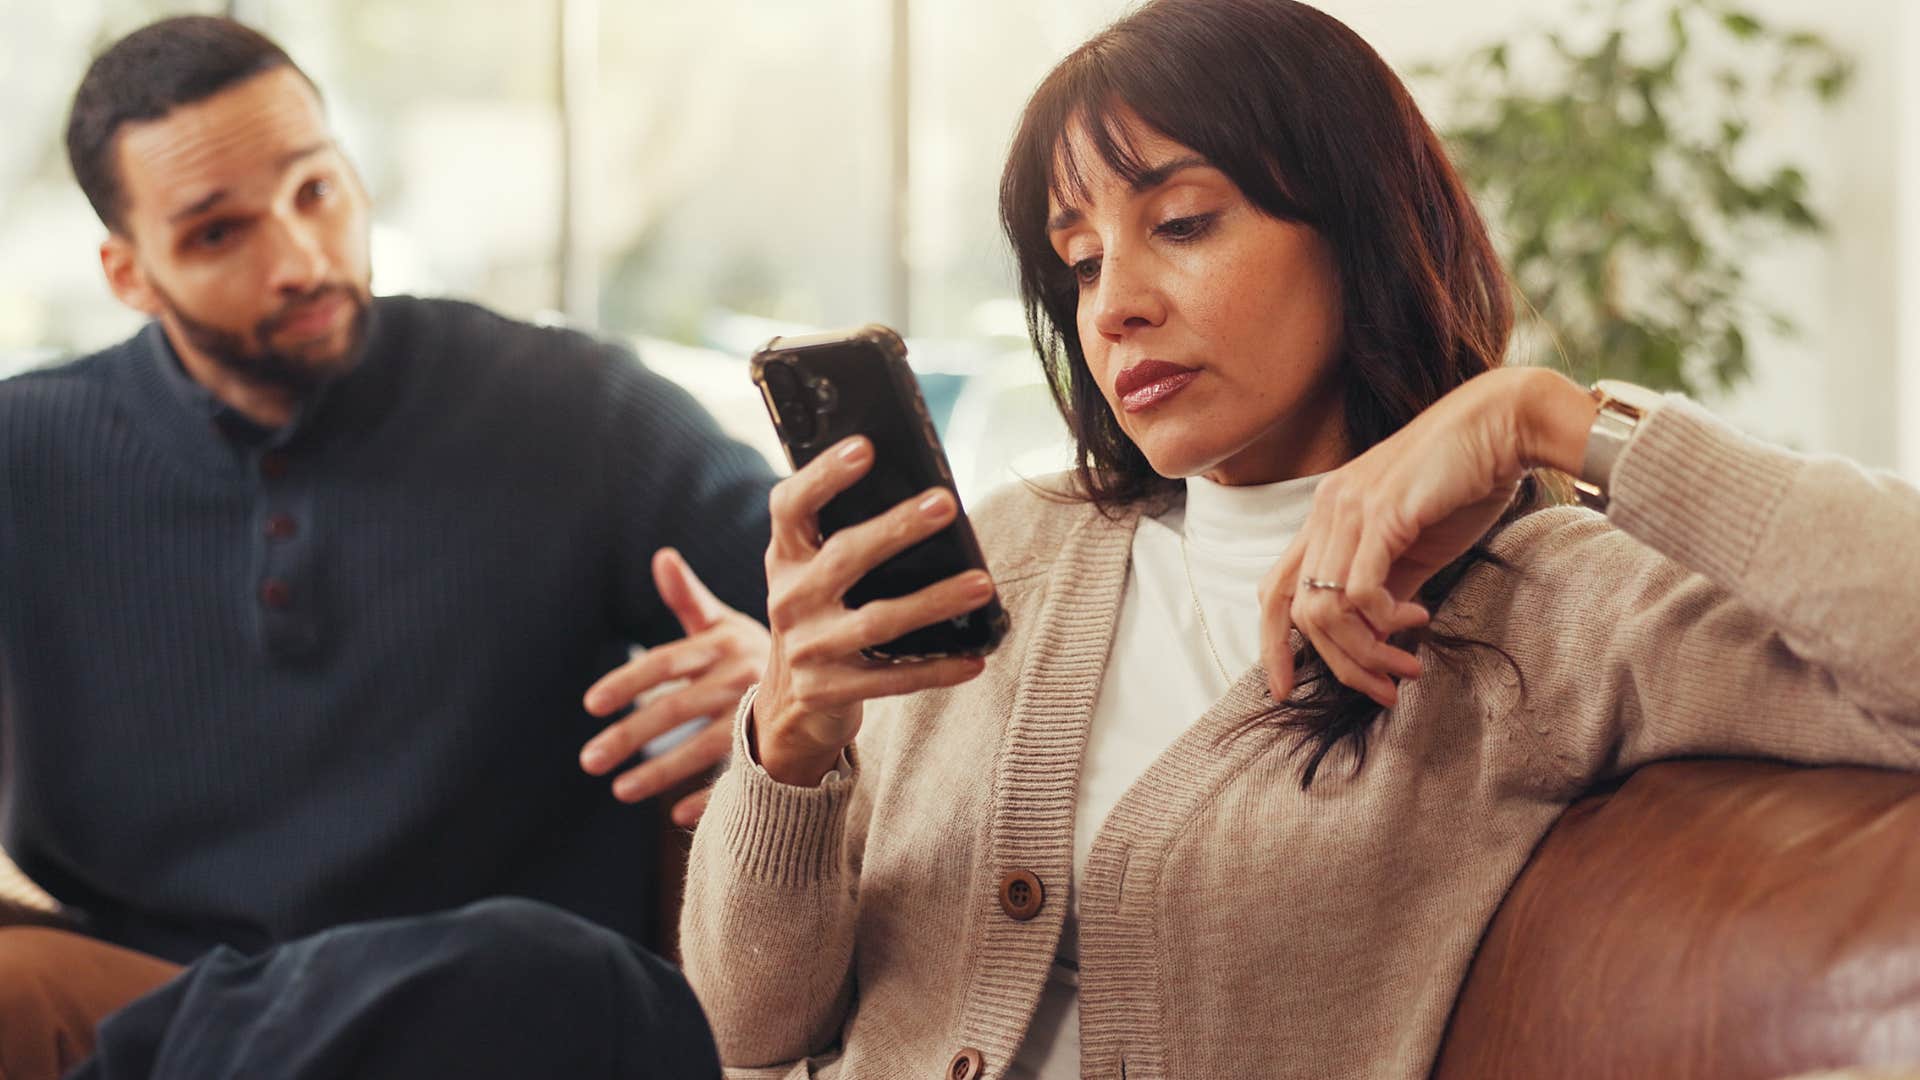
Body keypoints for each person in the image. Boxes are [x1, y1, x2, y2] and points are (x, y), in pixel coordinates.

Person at [676, 1, 1920, 1077]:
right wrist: (787, 742)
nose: (1116, 305)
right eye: (1080, 258)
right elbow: (751, 1018)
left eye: (1183, 223)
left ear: (1358, 229)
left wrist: (1550, 415)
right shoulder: (1004, 560)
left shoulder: (1553, 614)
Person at [0, 14, 773, 1075]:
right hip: (160, 1009)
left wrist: (783, 672)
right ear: (128, 273)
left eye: (315, 191)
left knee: (535, 966)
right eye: (219, 233)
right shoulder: (24, 452)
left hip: (484, 1002)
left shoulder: (572, 408)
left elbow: (882, 620)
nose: (301, 259)